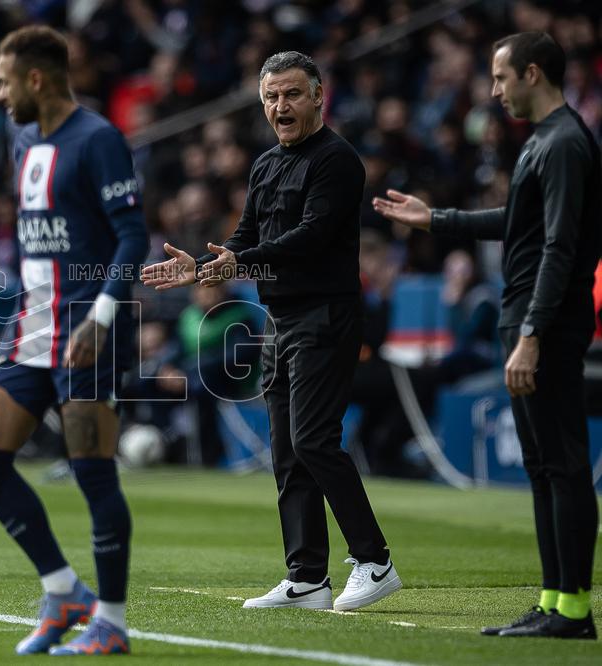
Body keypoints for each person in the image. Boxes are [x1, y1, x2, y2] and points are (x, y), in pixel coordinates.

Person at [142, 51, 400, 612]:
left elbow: (309, 239)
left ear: (317, 97)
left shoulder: (337, 160)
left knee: (312, 440)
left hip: (325, 317)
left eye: (291, 94)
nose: (281, 106)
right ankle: (307, 576)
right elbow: (245, 233)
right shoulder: (264, 166)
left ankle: (375, 560)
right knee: (286, 451)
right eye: (271, 97)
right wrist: (209, 267)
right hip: (280, 320)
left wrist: (239, 263)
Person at [374, 32, 600, 640]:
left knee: (563, 464)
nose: (494, 90)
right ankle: (555, 602)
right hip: (525, 317)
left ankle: (574, 610)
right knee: (542, 465)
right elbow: (518, 223)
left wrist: (532, 332)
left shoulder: (565, 144)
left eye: (501, 78)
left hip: (543, 322)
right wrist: (436, 218)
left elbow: (560, 247)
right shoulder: (543, 144)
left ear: (531, 72)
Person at [0, 26, 147, 655]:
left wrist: (100, 316)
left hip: (86, 328)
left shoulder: (98, 140)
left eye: (4, 79)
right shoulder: (21, 138)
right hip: (30, 324)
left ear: (36, 79)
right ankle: (64, 589)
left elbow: (133, 237)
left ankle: (113, 622)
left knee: (94, 474)